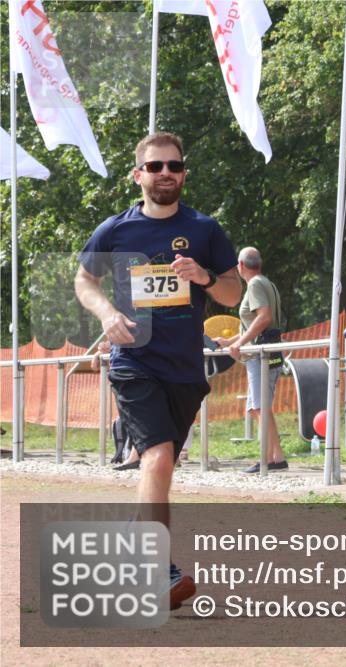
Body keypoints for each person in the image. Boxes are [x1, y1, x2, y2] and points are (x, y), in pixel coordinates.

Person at [75, 132, 241, 608]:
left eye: (173, 165)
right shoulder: (116, 230)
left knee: (162, 466)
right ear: (138, 175)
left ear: (183, 173)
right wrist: (107, 314)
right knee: (159, 457)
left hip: (185, 368)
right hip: (134, 361)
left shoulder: (205, 229)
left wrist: (205, 278)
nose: (165, 173)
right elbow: (85, 278)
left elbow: (232, 293)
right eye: (155, 166)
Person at [214, 247, 287, 473]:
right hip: (264, 351)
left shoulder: (255, 285)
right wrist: (230, 342)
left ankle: (267, 459)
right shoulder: (267, 283)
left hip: (260, 354)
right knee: (259, 407)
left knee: (259, 407)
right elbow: (253, 324)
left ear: (241, 265)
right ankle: (276, 457)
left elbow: (264, 318)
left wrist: (239, 344)